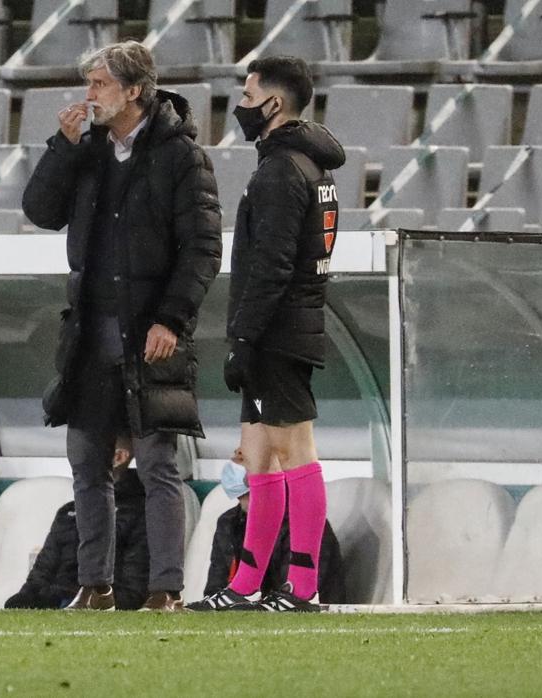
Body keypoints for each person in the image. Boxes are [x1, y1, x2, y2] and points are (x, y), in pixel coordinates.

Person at [23, 39, 222, 611]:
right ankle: (95, 584)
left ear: (134, 90)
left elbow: (203, 248)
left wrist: (173, 319)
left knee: (158, 464)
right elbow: (40, 212)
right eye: (89, 84)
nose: (89, 96)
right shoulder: (83, 149)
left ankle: (166, 589)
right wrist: (60, 149)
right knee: (87, 462)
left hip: (151, 333)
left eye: (99, 84)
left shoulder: (181, 155)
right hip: (89, 332)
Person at [191, 56, 345, 613]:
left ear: (274, 103)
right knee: (258, 457)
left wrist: (246, 338)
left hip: (279, 332)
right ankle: (244, 584)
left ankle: (303, 587)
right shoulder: (308, 166)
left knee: (293, 451)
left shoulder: (282, 171)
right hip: (282, 327)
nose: (243, 105)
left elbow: (274, 266)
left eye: (250, 94)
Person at [5, 434, 149, 610]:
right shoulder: (68, 512)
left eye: (89, 451)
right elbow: (40, 573)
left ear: (119, 457)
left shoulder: (139, 511)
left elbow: (133, 589)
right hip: (54, 602)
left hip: (94, 607)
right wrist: (30, 599)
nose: (80, 458)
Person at [196, 451, 346, 604]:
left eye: (243, 456)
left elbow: (293, 594)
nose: (236, 453)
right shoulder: (229, 522)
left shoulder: (301, 524)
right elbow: (214, 587)